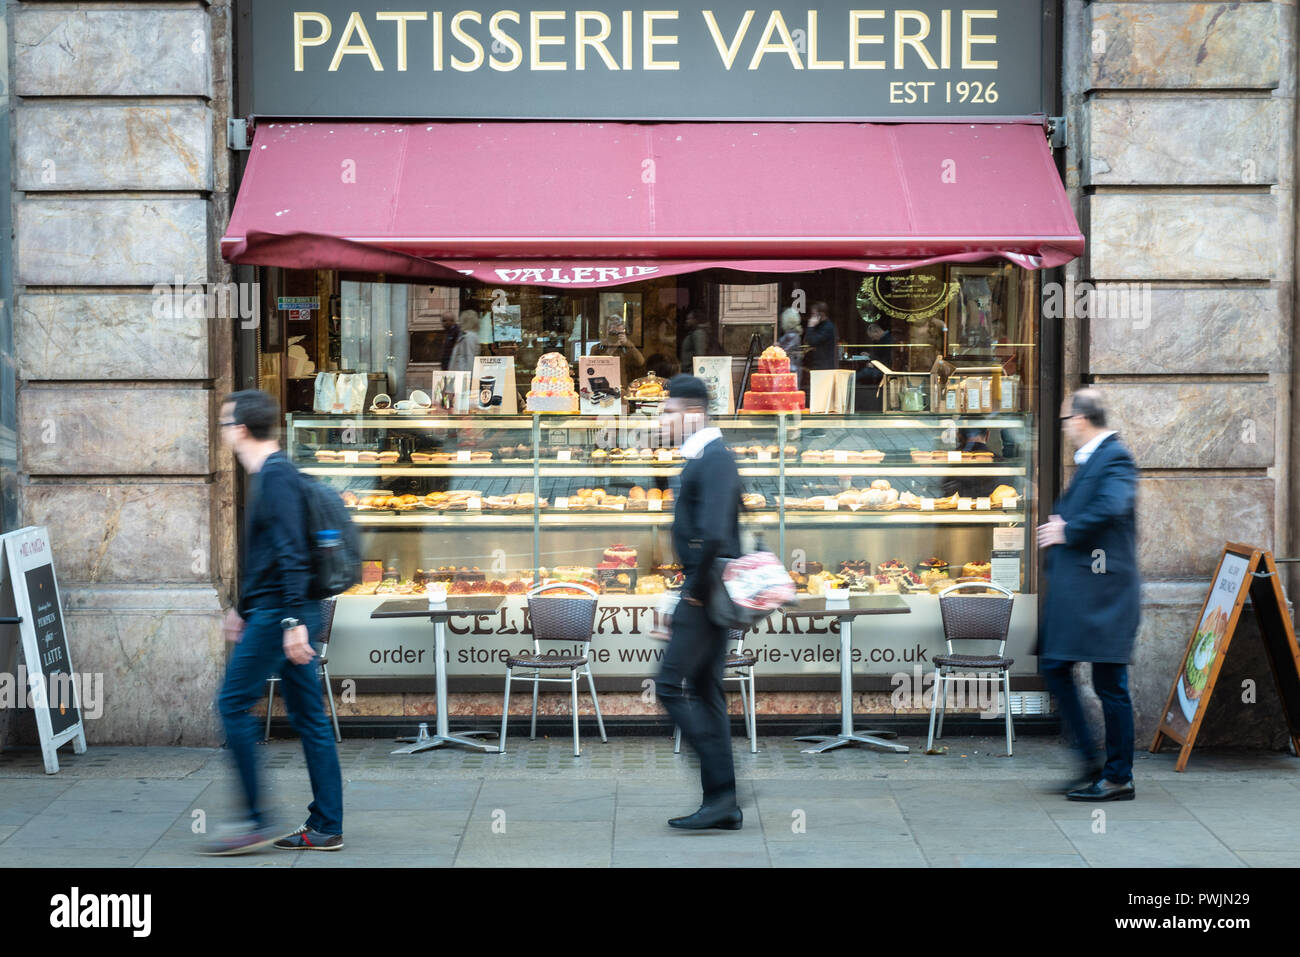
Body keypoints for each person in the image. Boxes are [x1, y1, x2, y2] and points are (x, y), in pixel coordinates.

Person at [202, 389, 344, 854]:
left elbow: (290, 554)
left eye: (225, 423)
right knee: (309, 717)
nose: (223, 431)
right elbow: (266, 557)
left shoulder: (276, 476)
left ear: (242, 429)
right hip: (278, 610)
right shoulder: (269, 474)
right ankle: (325, 825)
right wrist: (241, 608)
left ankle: (255, 820)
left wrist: (289, 622)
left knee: (231, 703)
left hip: (282, 614)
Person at [1036, 388, 1140, 802]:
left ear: (1080, 420)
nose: (1064, 429)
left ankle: (1117, 776)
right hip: (1084, 597)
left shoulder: (1115, 457)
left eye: (1065, 420)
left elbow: (1114, 506)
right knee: (1056, 666)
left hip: (1104, 598)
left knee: (1110, 684)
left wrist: (1067, 529)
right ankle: (1091, 763)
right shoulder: (1094, 459)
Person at [657, 375, 743, 830]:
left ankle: (724, 791)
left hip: (704, 592)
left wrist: (689, 591)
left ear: (694, 413)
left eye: (668, 412)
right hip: (708, 590)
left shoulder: (712, 459)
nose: (662, 420)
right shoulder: (708, 457)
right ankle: (721, 801)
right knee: (707, 692)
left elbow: (712, 532)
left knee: (669, 685)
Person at [593, 315, 646, 381]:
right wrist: (611, 350)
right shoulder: (597, 348)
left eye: (618, 333)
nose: (615, 336)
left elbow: (641, 362)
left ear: (623, 333)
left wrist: (628, 344)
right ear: (606, 331)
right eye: (613, 333)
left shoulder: (626, 348)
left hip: (622, 387)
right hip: (602, 385)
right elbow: (594, 369)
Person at [804, 301, 838, 371]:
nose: (811, 317)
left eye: (813, 314)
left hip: (824, 366)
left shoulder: (827, 327)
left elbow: (812, 341)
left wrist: (810, 326)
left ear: (821, 314)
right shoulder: (820, 326)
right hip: (820, 364)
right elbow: (807, 340)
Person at [679, 308, 710, 374]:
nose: (686, 321)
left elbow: (699, 356)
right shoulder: (693, 332)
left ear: (695, 320)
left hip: (691, 372)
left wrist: (692, 373)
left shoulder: (698, 333)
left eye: (689, 319)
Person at [777, 308, 803, 381]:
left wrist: (777, 348)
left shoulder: (792, 335)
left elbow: (786, 350)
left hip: (790, 369)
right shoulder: (792, 334)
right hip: (790, 368)